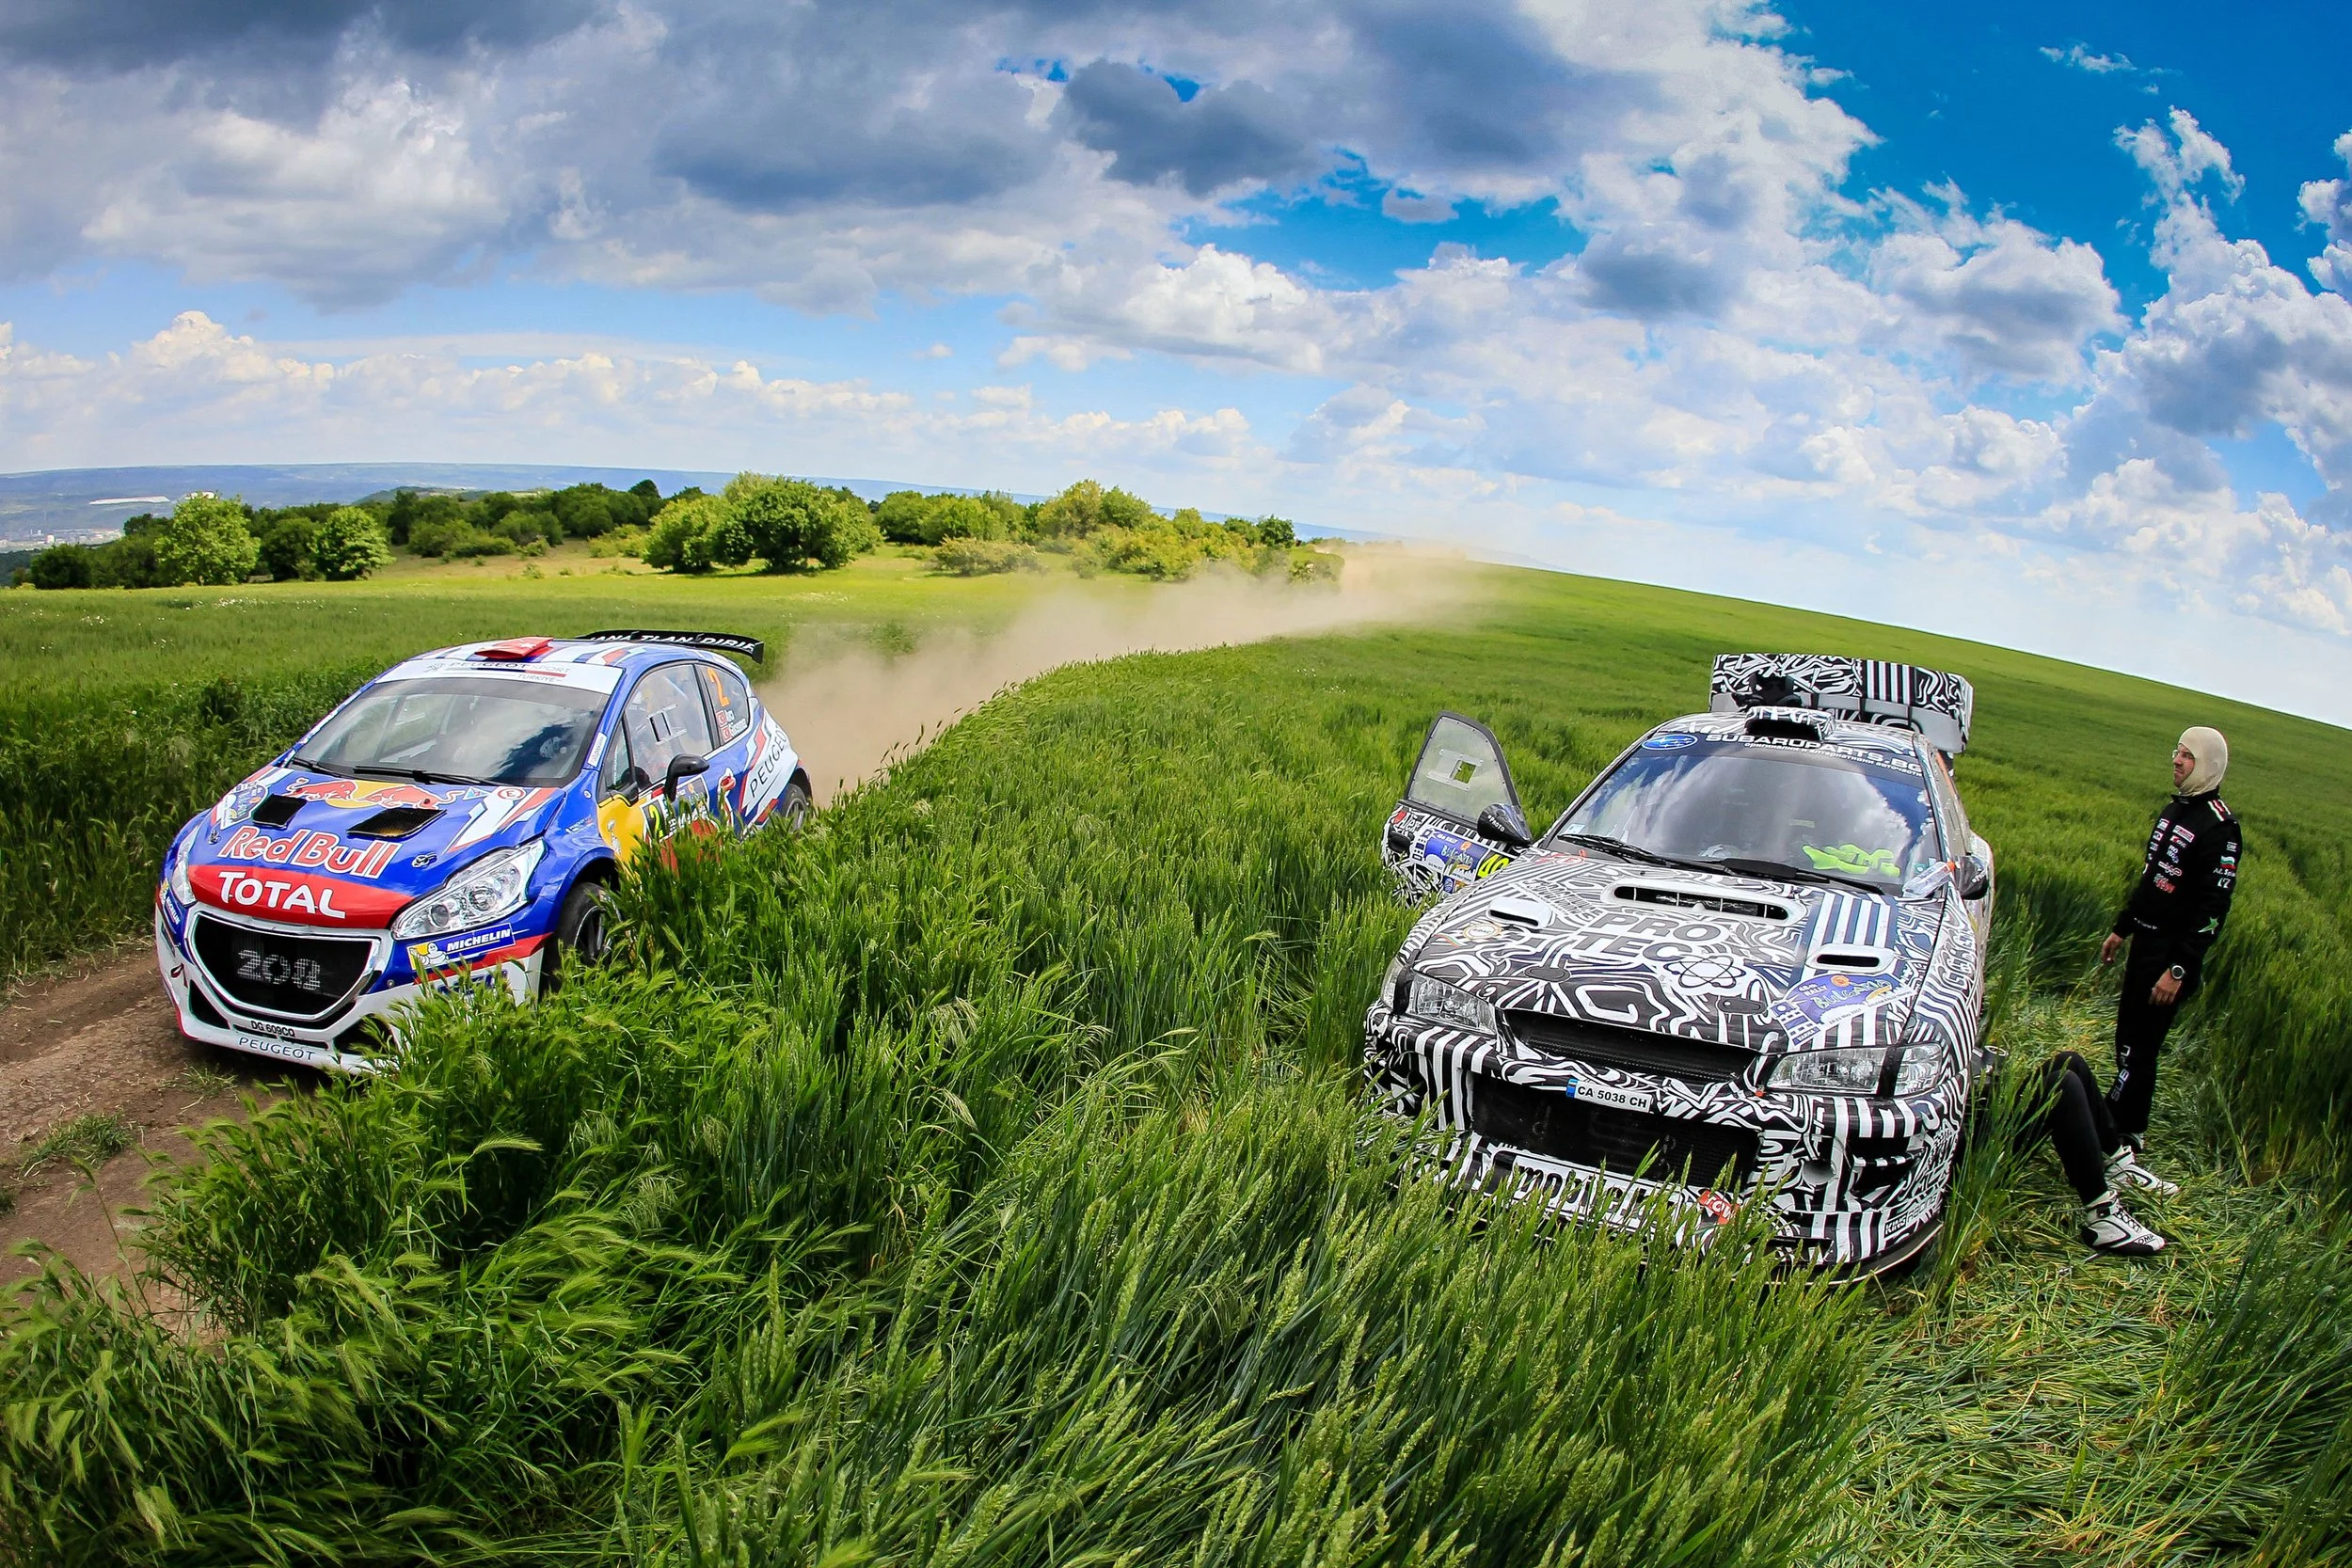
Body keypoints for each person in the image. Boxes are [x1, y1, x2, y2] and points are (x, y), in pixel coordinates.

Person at [2098, 725, 2240, 1196]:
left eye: (2186, 756)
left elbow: (2211, 912)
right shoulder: (2173, 811)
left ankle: (2124, 1138)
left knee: (2142, 1048)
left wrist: (2179, 969)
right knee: (2126, 1040)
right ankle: (2118, 1128)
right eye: (2176, 752)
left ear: (2208, 764)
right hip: (2146, 946)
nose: (2176, 761)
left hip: (2170, 960)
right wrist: (2122, 927)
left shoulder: (2220, 828)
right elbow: (2151, 879)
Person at [2024, 1050, 2166, 1256]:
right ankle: (2102, 1215)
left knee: (2069, 1062)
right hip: (1962, 1154)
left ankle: (2116, 1164)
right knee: (2062, 1086)